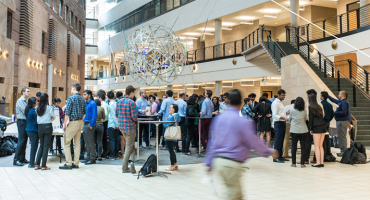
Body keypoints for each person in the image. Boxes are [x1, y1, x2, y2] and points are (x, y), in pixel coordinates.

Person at [205, 89, 278, 200]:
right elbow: (253, 141)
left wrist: (209, 162)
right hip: (231, 164)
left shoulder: (218, 119)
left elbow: (212, 142)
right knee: (232, 194)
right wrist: (269, 151)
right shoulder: (243, 121)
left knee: (237, 195)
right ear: (240, 104)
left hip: (218, 162)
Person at [59, 83, 86, 170]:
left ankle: (68, 163)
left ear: (74, 88)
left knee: (67, 143)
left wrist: (64, 125)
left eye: (71, 88)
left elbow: (67, 113)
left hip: (73, 122)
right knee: (77, 143)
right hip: (80, 122)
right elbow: (85, 113)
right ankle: (76, 163)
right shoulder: (83, 99)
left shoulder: (71, 98)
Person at [116, 85, 138, 173]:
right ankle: (124, 167)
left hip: (122, 127)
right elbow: (134, 117)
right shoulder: (131, 102)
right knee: (129, 146)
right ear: (131, 93)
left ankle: (132, 163)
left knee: (131, 145)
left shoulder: (119, 101)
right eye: (134, 93)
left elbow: (116, 115)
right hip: (130, 128)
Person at [35, 93, 55, 170]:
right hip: (47, 127)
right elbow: (53, 117)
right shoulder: (49, 108)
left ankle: (37, 164)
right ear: (47, 99)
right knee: (46, 146)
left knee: (41, 146)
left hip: (40, 127)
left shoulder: (37, 107)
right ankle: (43, 165)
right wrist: (51, 118)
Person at [328, 90, 351, 157]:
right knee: (341, 137)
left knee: (342, 137)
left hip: (342, 121)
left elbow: (344, 112)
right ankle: (343, 151)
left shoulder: (344, 102)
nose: (338, 95)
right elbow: (334, 100)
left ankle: (344, 151)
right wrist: (328, 96)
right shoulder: (341, 102)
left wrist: (335, 112)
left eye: (339, 94)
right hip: (341, 121)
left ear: (342, 95)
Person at [308, 93, 327, 167]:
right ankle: (321, 162)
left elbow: (311, 119)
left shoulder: (311, 107)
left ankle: (318, 162)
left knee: (316, 146)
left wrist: (310, 128)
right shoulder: (319, 106)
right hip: (323, 126)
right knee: (320, 146)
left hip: (316, 126)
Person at [289, 97, 308, 168]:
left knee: (294, 147)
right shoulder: (304, 111)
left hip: (294, 130)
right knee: (303, 147)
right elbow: (306, 119)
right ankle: (302, 163)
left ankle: (293, 163)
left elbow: (289, 119)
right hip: (303, 130)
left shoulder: (292, 111)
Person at [13, 87, 31, 166]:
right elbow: (25, 111)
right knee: (21, 141)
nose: (29, 93)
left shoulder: (26, 101)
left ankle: (22, 158)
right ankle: (15, 159)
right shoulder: (20, 101)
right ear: (23, 92)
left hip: (26, 122)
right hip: (21, 122)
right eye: (27, 91)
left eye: (29, 91)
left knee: (25, 141)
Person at [272, 89, 289, 163]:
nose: (284, 96)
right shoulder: (275, 103)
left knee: (281, 140)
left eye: (284, 95)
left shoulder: (281, 103)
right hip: (278, 123)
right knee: (278, 140)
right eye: (282, 95)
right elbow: (274, 115)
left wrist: (286, 113)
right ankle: (275, 157)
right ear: (278, 95)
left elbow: (280, 113)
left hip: (282, 123)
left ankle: (280, 156)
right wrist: (283, 118)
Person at [82, 90, 98, 165]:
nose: (83, 96)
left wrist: (91, 124)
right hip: (85, 124)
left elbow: (94, 115)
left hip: (89, 124)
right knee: (87, 142)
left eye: (85, 94)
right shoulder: (86, 103)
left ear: (89, 95)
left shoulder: (92, 103)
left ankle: (92, 158)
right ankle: (88, 157)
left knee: (90, 142)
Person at [163, 104, 180, 171]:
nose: (169, 109)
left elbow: (165, 124)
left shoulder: (173, 116)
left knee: (170, 150)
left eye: (170, 108)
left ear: (174, 109)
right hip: (174, 134)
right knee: (172, 150)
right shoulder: (177, 116)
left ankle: (172, 165)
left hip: (170, 135)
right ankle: (175, 164)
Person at [25, 97, 38, 168]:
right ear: (33, 103)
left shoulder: (28, 110)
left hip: (29, 130)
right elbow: (36, 121)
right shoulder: (33, 111)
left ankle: (32, 161)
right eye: (36, 102)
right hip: (33, 130)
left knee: (33, 146)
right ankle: (31, 162)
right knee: (34, 147)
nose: (37, 103)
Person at [321, 91, 335, 156]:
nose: (320, 96)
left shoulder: (321, 104)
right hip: (327, 122)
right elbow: (333, 114)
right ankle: (328, 151)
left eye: (320, 95)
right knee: (327, 137)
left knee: (321, 138)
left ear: (323, 97)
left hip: (322, 122)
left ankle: (323, 151)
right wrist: (329, 119)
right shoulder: (330, 105)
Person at [107, 91, 120, 160]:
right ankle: (116, 154)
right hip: (116, 124)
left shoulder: (111, 105)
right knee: (116, 140)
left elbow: (114, 116)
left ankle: (112, 155)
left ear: (108, 97)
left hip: (112, 124)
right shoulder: (116, 103)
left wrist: (117, 124)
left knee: (112, 140)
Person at [97, 90, 109, 158]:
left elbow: (106, 114)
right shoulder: (105, 104)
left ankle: (104, 152)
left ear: (100, 98)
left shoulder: (103, 105)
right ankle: (104, 151)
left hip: (103, 123)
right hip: (104, 122)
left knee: (103, 138)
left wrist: (102, 119)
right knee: (103, 138)